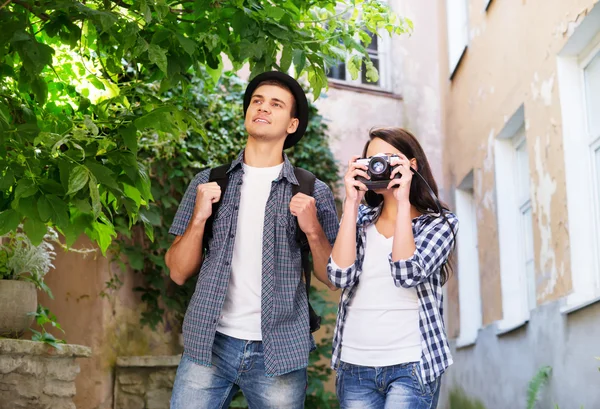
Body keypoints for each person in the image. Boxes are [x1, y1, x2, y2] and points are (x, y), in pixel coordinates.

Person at [166, 71, 339, 409]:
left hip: (279, 349)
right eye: (257, 101)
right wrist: (200, 217)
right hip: (209, 344)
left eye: (276, 104)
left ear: (291, 124)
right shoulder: (209, 183)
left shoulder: (312, 190)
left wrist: (314, 230)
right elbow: (177, 271)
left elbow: (331, 277)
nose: (262, 108)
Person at [327, 127, 458, 409]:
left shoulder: (440, 223)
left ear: (412, 165)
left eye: (389, 158)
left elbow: (406, 274)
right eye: (372, 160)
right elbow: (338, 275)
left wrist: (402, 201)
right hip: (355, 365)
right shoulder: (359, 219)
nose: (380, 166)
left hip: (411, 364)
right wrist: (351, 202)